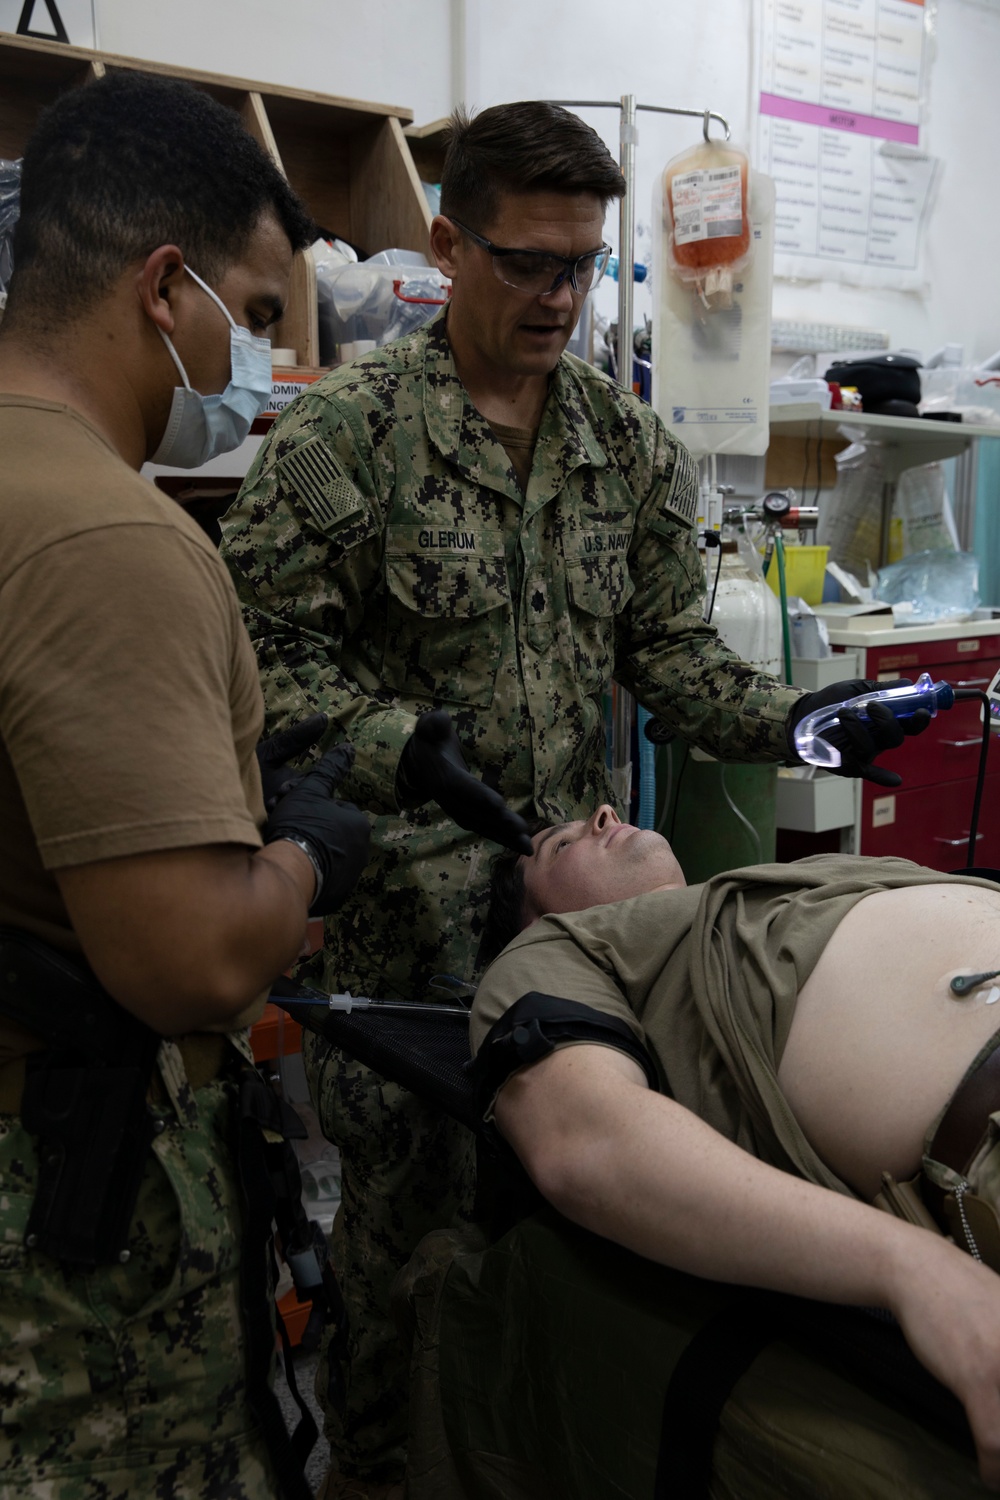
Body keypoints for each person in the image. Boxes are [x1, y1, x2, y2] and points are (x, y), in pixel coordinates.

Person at [219, 100, 927, 1496]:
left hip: (586, 940)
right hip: (409, 944)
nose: (556, 296)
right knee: (406, 1258)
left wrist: (800, 721)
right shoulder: (343, 440)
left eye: (581, 267)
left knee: (575, 1238)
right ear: (446, 244)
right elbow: (247, 661)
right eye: (527, 261)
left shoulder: (623, 447)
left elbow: (666, 657)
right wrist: (389, 743)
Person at [0, 72, 373, 1500]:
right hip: (65, 1237)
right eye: (263, 316)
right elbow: (195, 963)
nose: (271, 361)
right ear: (169, 285)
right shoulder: (109, 534)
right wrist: (296, 863)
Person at [471, 805, 1000, 1489]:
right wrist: (915, 1270)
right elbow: (583, 1138)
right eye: (562, 843)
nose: (603, 813)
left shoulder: (788, 880)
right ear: (536, 919)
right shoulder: (559, 950)